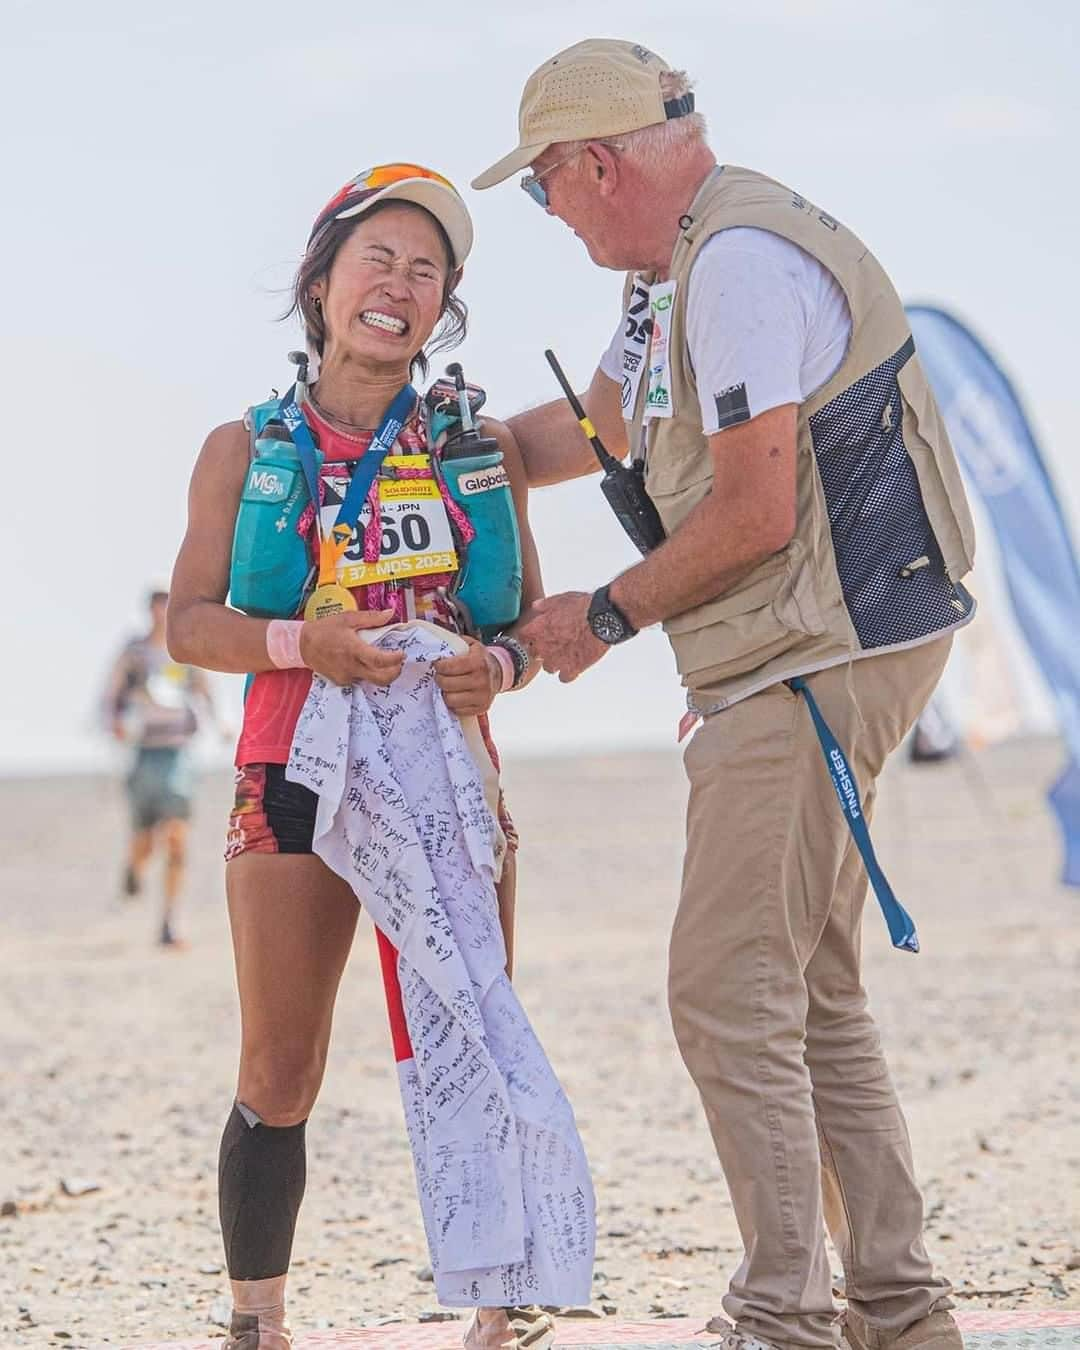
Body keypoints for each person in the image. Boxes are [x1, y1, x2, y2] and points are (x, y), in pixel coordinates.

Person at [473, 39, 977, 1350]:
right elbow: (586, 434)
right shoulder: (674, 273)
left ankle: (784, 1313)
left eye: (541, 189)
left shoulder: (738, 268)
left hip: (813, 651)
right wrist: (431, 444)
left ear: (592, 164)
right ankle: (899, 1310)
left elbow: (753, 513)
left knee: (723, 985)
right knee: (807, 987)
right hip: (810, 647)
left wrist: (600, 615)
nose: (550, 214)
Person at [167, 164, 554, 1350]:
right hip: (291, 771)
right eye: (377, 259)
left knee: (471, 1034)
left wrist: (506, 669)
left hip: (448, 779)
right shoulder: (246, 445)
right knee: (281, 1066)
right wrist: (302, 642)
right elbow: (188, 624)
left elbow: (525, 620)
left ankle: (502, 1311)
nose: (400, 285)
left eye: (427, 271)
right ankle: (258, 1321)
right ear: (323, 281)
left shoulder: (475, 446)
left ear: (444, 309)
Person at [103, 586, 217, 948]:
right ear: (149, 610)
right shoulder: (134, 653)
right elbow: (110, 695)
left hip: (178, 752)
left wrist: (222, 724)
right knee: (145, 840)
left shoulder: (185, 651)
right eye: (157, 606)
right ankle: (134, 869)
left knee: (177, 839)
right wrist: (115, 723)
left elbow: (205, 690)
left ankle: (169, 921)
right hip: (144, 752)